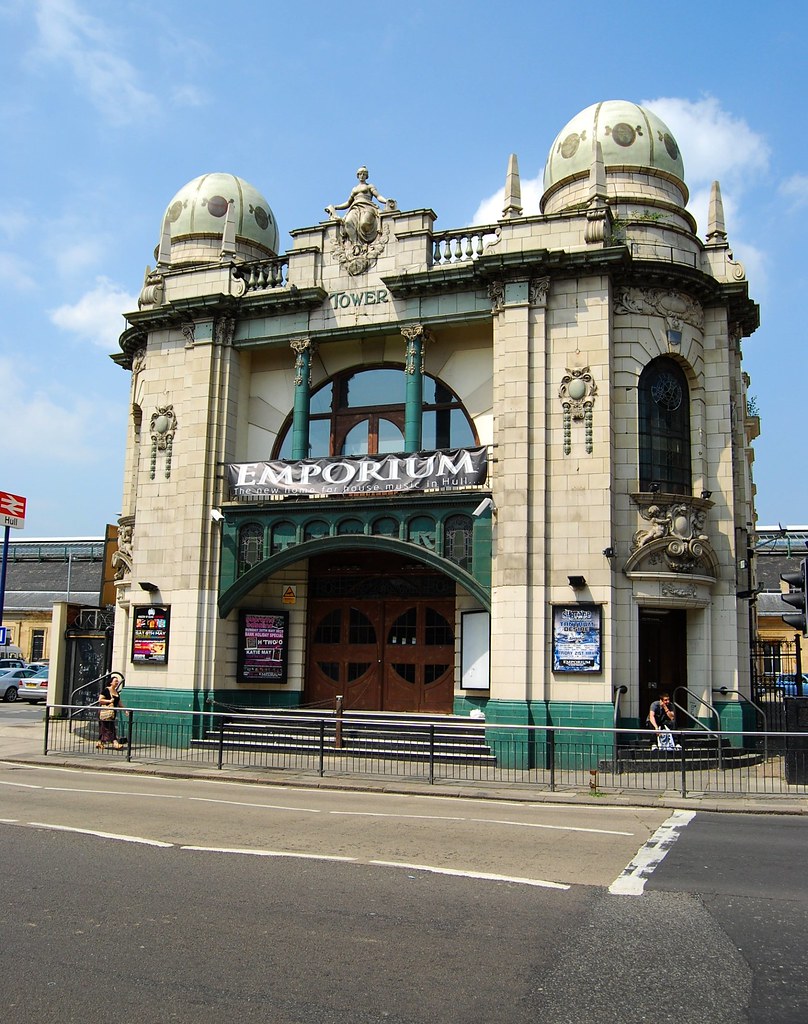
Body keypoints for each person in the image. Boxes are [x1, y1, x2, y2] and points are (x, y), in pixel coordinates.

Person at [325, 166, 395, 250]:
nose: (362, 176)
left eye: (364, 174)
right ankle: (355, 244)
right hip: (355, 208)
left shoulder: (370, 186)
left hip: (368, 207)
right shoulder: (354, 189)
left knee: (364, 223)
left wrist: (386, 201)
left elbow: (378, 196)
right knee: (348, 222)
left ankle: (366, 243)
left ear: (366, 176)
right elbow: (348, 203)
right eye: (360, 174)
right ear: (357, 176)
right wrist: (335, 207)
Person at [97, 673, 125, 750]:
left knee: (104, 728)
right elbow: (100, 700)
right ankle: (115, 743)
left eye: (117, 681)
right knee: (110, 728)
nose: (117, 682)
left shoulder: (116, 692)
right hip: (105, 712)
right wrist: (109, 700)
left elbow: (120, 703)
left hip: (112, 713)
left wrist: (125, 710)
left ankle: (100, 742)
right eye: (115, 681)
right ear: (111, 682)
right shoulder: (106, 690)